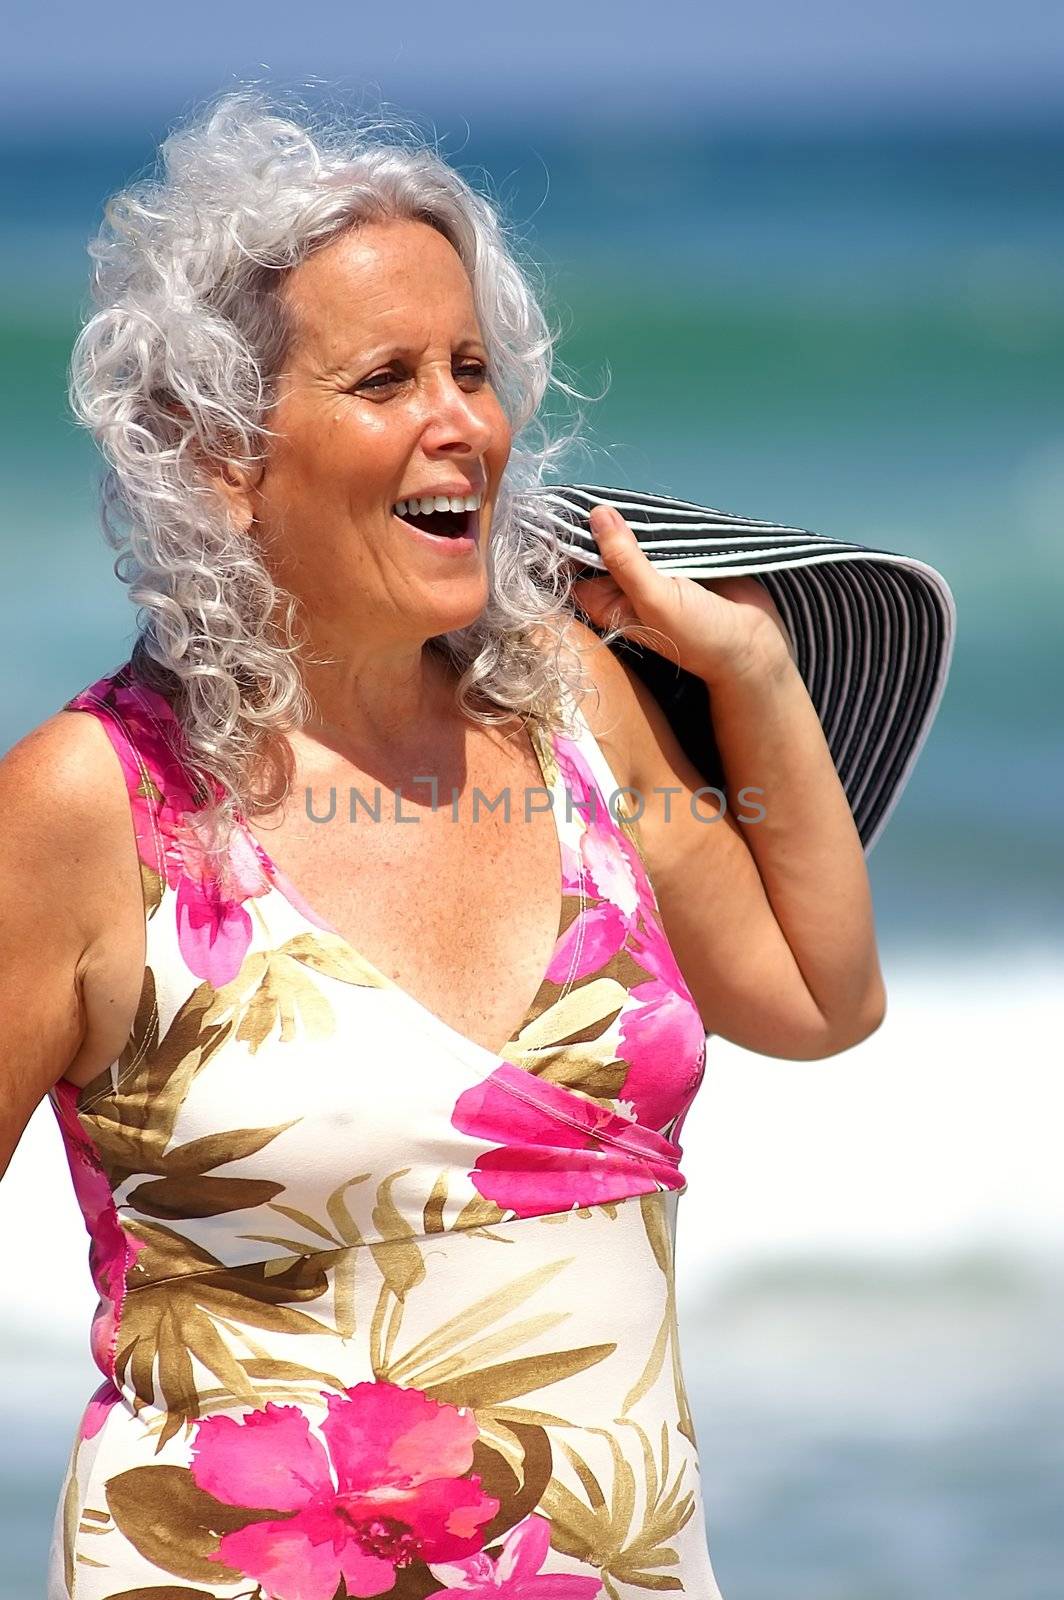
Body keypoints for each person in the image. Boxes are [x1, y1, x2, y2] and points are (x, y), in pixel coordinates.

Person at [0, 88, 885, 1600]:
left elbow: (819, 999)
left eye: (472, 367)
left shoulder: (575, 718)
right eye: (386, 376)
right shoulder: (93, 804)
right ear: (219, 452)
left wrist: (757, 676)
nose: (462, 419)